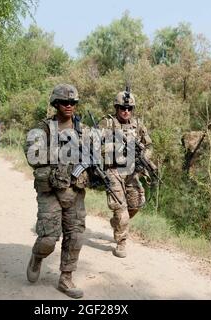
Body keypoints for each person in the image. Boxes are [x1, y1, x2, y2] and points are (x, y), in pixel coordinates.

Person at [24, 84, 89, 299]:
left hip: (75, 190)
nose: (69, 106)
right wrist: (64, 156)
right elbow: (32, 155)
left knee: (76, 235)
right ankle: (37, 256)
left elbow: (96, 155)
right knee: (48, 239)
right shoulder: (42, 129)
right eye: (64, 102)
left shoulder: (84, 130)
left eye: (72, 103)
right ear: (55, 104)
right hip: (51, 190)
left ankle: (66, 278)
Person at [98, 90, 152, 258]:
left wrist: (142, 157)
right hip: (113, 170)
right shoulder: (106, 123)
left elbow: (149, 145)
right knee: (121, 211)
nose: (126, 111)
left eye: (129, 108)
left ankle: (117, 222)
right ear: (117, 108)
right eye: (122, 108)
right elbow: (94, 147)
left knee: (135, 204)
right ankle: (121, 242)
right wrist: (116, 148)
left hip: (132, 171)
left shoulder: (138, 125)